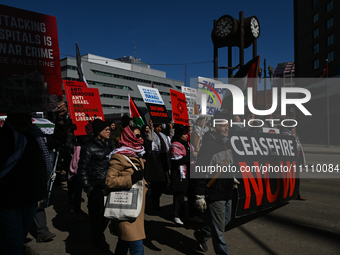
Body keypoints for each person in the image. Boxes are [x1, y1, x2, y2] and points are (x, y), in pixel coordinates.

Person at [0, 103, 67, 255]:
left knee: (18, 239)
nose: (24, 121)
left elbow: (57, 141)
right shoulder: (4, 137)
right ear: (10, 118)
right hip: (9, 203)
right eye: (20, 117)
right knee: (13, 244)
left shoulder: (35, 136)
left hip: (30, 200)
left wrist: (61, 118)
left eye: (27, 117)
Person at [193, 111, 234, 254]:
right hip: (215, 192)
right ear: (215, 127)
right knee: (219, 231)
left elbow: (227, 163)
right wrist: (199, 195)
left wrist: (232, 177)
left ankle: (202, 234)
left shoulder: (226, 143)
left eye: (228, 125)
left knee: (225, 221)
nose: (227, 128)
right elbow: (199, 171)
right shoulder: (208, 146)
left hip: (227, 189)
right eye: (223, 125)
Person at [106, 125, 146, 255]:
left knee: (124, 242)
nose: (140, 139)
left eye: (140, 135)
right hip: (125, 207)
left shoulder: (137, 155)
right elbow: (109, 181)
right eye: (137, 136)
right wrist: (132, 178)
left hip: (136, 207)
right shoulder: (119, 157)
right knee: (137, 247)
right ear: (129, 137)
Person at [78, 119, 112, 251]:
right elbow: (82, 169)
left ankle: (97, 235)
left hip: (108, 186)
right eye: (106, 130)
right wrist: (89, 188)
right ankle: (98, 241)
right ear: (98, 132)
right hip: (96, 187)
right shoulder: (88, 147)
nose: (109, 131)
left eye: (109, 129)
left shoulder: (108, 145)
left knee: (107, 216)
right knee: (96, 217)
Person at [169, 125, 196, 225]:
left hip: (189, 173)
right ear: (179, 135)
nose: (186, 136)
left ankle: (190, 215)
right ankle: (177, 215)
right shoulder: (175, 145)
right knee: (179, 196)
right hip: (179, 175)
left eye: (186, 134)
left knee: (191, 194)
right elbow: (178, 160)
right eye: (184, 134)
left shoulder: (188, 145)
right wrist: (191, 156)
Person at [148, 123, 172, 211]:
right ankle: (155, 203)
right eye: (157, 127)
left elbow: (169, 143)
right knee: (156, 183)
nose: (159, 129)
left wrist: (171, 129)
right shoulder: (151, 135)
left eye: (160, 127)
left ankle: (154, 197)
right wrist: (151, 128)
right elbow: (150, 141)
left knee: (165, 181)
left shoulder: (162, 135)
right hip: (155, 160)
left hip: (164, 160)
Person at [282, 125, 307, 200]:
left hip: (296, 159)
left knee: (296, 178)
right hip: (289, 160)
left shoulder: (295, 135)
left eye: (295, 127)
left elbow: (299, 148)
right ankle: (286, 194)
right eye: (293, 127)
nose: (295, 128)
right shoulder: (285, 134)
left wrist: (300, 161)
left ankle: (296, 194)